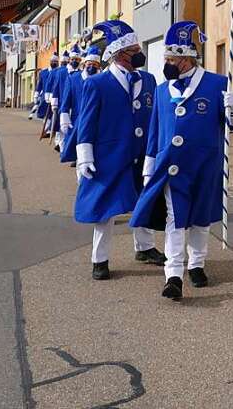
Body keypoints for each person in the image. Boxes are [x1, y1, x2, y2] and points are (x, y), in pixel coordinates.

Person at [130, 20, 233, 300]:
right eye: (166, 58)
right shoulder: (162, 90)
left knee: (201, 218)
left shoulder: (217, 84)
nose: (166, 63)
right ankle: (174, 274)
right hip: (171, 166)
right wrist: (149, 169)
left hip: (205, 165)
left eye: (170, 58)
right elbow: (155, 132)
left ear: (186, 59)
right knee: (175, 218)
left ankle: (197, 264)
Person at [74, 20, 167, 279]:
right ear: (119, 54)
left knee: (144, 201)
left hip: (141, 155)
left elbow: (155, 116)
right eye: (134, 49)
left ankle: (145, 248)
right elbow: (87, 123)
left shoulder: (147, 80)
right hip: (110, 157)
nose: (140, 54)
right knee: (106, 210)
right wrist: (85, 157)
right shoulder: (97, 84)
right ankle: (99, 260)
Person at [60, 45, 98, 165]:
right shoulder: (73, 79)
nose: (91, 66)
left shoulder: (102, 79)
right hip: (78, 120)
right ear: (85, 64)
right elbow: (66, 100)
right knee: (79, 148)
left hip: (97, 121)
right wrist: (64, 116)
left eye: (95, 64)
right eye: (89, 63)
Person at [52, 47, 81, 152]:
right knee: (61, 125)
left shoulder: (81, 73)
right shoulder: (61, 72)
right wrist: (54, 102)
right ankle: (60, 144)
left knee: (73, 127)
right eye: (72, 59)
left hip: (75, 105)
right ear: (69, 59)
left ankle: (68, 147)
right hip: (62, 103)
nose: (74, 61)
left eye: (77, 59)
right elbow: (56, 87)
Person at [35, 53, 58, 135]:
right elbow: (40, 84)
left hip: (55, 96)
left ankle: (49, 130)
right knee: (44, 113)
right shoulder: (43, 73)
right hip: (45, 97)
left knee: (52, 114)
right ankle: (47, 128)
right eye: (52, 61)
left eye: (55, 61)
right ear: (50, 62)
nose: (54, 63)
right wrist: (37, 94)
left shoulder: (59, 72)